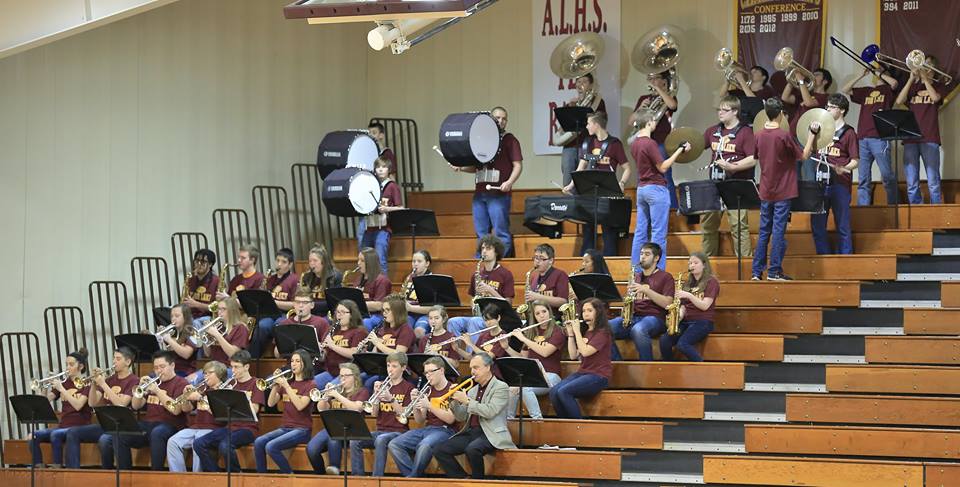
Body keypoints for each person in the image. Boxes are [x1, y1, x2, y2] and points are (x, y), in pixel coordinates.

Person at [752, 98, 817, 281]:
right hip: (783, 190)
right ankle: (774, 271)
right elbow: (803, 156)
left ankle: (756, 272)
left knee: (764, 230)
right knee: (778, 230)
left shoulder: (758, 135)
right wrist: (812, 135)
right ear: (781, 114)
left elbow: (756, 156)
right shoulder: (783, 135)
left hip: (765, 189)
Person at [451, 106, 523, 257]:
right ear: (490, 119)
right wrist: (461, 168)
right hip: (480, 193)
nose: (501, 121)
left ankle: (499, 265)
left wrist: (510, 182)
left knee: (501, 232)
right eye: (497, 118)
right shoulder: (481, 140)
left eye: (504, 119)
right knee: (481, 233)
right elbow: (477, 168)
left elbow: (518, 165)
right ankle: (481, 265)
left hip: (499, 193)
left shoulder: (509, 140)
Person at [433, 352, 515, 479]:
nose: (472, 372)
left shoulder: (501, 387)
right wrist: (453, 401)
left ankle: (478, 481)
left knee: (472, 449)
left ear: (488, 367)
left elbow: (490, 411)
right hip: (472, 432)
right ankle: (463, 479)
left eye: (476, 368)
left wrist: (466, 401)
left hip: (491, 432)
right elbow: (461, 417)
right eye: (471, 368)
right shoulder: (472, 390)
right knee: (439, 449)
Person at [629, 109, 691, 272]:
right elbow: (663, 167)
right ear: (649, 122)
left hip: (641, 189)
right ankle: (658, 272)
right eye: (654, 120)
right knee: (658, 234)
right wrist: (679, 150)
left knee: (640, 232)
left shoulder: (635, 142)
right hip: (656, 190)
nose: (656, 123)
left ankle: (636, 271)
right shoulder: (650, 143)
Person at [563, 112, 631, 256]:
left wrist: (622, 182)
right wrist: (570, 185)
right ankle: (586, 263)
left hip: (607, 194)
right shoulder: (588, 142)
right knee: (588, 230)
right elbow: (580, 168)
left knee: (608, 231)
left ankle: (610, 264)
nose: (586, 126)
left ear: (596, 124)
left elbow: (627, 169)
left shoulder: (615, 144)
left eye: (588, 123)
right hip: (590, 194)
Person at [106, 350, 188, 470]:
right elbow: (136, 406)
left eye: (162, 367)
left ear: (172, 365)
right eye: (155, 368)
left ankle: (156, 473)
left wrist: (157, 391)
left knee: (157, 433)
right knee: (120, 433)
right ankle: (125, 474)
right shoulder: (153, 382)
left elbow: (176, 410)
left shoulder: (181, 383)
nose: (158, 371)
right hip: (149, 424)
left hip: (171, 425)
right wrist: (140, 388)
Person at [701, 95, 757, 258]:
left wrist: (733, 167)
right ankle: (706, 265)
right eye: (719, 109)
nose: (720, 113)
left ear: (735, 112)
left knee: (739, 226)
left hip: (736, 185)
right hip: (714, 184)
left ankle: (745, 263)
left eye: (724, 110)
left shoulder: (746, 132)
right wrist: (688, 145)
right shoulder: (712, 131)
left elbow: (753, 158)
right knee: (708, 225)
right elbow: (698, 145)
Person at [805, 93, 859, 254]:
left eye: (831, 107)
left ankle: (845, 259)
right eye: (827, 106)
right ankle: (824, 258)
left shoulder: (849, 132)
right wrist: (812, 134)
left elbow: (855, 160)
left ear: (842, 110)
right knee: (817, 224)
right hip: (819, 183)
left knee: (842, 224)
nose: (827, 109)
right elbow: (808, 154)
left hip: (840, 183)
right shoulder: (820, 130)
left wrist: (845, 168)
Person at [193, 350, 264, 472]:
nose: (233, 370)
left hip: (248, 429)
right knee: (199, 443)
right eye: (232, 367)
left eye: (236, 367)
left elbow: (255, 409)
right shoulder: (230, 384)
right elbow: (219, 413)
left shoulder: (256, 383)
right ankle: (216, 475)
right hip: (230, 427)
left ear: (247, 367)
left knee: (225, 445)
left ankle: (236, 474)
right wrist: (204, 399)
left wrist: (241, 398)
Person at [387, 356, 457, 477]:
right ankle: (414, 477)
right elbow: (420, 420)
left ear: (441, 370)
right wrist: (415, 404)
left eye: (431, 371)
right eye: (426, 373)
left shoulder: (453, 389)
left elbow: (450, 419)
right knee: (394, 444)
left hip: (446, 430)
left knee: (424, 445)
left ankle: (413, 478)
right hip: (428, 428)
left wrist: (429, 405)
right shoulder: (427, 390)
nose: (428, 375)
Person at [349, 351, 414, 477]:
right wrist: (377, 396)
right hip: (381, 429)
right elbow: (374, 413)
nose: (390, 369)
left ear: (404, 368)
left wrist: (391, 399)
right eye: (389, 366)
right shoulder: (384, 385)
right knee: (355, 440)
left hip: (399, 431)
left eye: (394, 366)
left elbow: (404, 414)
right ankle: (357, 477)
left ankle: (376, 478)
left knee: (380, 440)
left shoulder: (408, 387)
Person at [609, 242, 675, 361]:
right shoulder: (636, 277)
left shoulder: (666, 277)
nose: (642, 257)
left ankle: (647, 365)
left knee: (639, 330)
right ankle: (618, 363)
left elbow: (668, 303)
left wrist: (646, 290)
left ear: (656, 258)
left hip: (655, 318)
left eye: (647, 254)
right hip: (634, 317)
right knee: (605, 327)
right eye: (641, 254)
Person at [254, 349, 316, 474]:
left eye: (298, 361)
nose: (293, 364)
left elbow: (300, 406)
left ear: (305, 363)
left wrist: (286, 386)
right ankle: (261, 477)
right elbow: (271, 403)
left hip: (302, 429)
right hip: (285, 427)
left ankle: (289, 476)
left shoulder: (310, 385)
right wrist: (276, 385)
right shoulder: (289, 383)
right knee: (259, 442)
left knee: (271, 447)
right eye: (292, 361)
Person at [843, 66, 899, 205]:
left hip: (880, 138)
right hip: (862, 138)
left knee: (887, 176)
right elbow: (845, 89)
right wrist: (861, 75)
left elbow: (895, 84)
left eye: (881, 71)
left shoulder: (887, 90)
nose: (877, 72)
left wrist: (880, 74)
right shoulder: (867, 91)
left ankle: (893, 205)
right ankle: (864, 209)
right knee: (863, 178)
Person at [549, 297, 611, 419]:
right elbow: (573, 355)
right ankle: (565, 424)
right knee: (553, 392)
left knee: (564, 392)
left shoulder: (603, 333)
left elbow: (585, 352)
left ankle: (578, 425)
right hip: (583, 372)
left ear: (598, 312)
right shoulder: (586, 332)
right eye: (583, 311)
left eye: (589, 310)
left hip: (599, 375)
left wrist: (577, 331)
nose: (585, 314)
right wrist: (571, 334)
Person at [29, 349, 91, 468]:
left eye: (71, 364)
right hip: (63, 426)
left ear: (81, 366)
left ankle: (57, 466)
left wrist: (62, 389)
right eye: (66, 364)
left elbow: (78, 406)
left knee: (55, 435)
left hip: (79, 427)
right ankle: (38, 467)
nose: (67, 367)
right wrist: (44, 387)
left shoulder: (86, 383)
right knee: (34, 436)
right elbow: (45, 402)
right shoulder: (64, 383)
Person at [895, 55, 945, 204]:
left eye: (927, 64)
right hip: (910, 138)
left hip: (930, 138)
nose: (923, 66)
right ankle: (917, 211)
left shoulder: (938, 86)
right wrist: (911, 79)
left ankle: (936, 211)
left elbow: (936, 99)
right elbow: (899, 101)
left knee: (933, 180)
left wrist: (925, 79)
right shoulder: (913, 88)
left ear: (933, 69)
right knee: (911, 181)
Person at [629, 70, 680, 208]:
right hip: (644, 142)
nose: (651, 81)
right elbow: (630, 122)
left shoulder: (669, 95)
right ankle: (647, 207)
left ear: (664, 81)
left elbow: (672, 106)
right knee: (643, 175)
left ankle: (672, 210)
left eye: (655, 78)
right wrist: (640, 108)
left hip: (662, 142)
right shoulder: (643, 98)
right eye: (649, 77)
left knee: (665, 175)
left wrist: (659, 89)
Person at [447, 235, 515, 338]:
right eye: (482, 248)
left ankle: (474, 354)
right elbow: (472, 299)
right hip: (480, 316)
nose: (484, 251)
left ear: (496, 252)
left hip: (497, 319)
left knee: (474, 322)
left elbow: (508, 305)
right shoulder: (476, 275)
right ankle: (457, 353)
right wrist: (474, 304)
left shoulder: (506, 274)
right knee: (453, 322)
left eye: (488, 249)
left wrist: (490, 290)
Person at [307, 362, 369, 475]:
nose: (342, 379)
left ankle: (335, 470)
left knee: (333, 438)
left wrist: (337, 396)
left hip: (351, 429)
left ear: (355, 377)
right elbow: (322, 409)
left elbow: (356, 408)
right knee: (311, 449)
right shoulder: (338, 391)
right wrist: (325, 397)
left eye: (346, 376)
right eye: (341, 376)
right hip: (333, 427)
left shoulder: (362, 391)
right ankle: (320, 475)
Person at [504, 301, 563, 419]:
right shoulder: (531, 332)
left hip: (551, 376)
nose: (542, 315)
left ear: (549, 312)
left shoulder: (558, 331)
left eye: (544, 312)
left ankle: (537, 421)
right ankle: (509, 422)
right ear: (534, 317)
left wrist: (524, 339)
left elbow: (545, 352)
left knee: (525, 388)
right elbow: (522, 359)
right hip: (532, 376)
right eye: (538, 313)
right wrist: (506, 347)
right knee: (511, 390)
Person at [165, 360, 227, 472]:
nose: (205, 376)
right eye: (204, 373)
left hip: (214, 428)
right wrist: (185, 396)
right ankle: (178, 477)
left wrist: (200, 398)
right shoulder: (202, 389)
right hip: (196, 427)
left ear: (219, 374)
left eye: (209, 373)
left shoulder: (225, 390)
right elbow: (186, 409)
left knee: (198, 441)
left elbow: (221, 415)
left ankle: (196, 477)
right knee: (173, 441)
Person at [660, 252, 720, 361]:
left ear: (704, 265)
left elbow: (705, 306)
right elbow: (683, 305)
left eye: (695, 263)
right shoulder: (687, 284)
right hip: (686, 321)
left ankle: (702, 367)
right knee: (664, 340)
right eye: (690, 263)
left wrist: (689, 295)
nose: (692, 265)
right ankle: (671, 368)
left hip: (703, 321)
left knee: (682, 344)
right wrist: (679, 316)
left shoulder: (712, 282)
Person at [91, 348, 139, 469]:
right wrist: (93, 384)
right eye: (114, 358)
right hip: (105, 423)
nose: (114, 362)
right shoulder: (109, 380)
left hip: (122, 425)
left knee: (104, 440)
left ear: (128, 362)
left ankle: (121, 473)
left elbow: (121, 404)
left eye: (118, 359)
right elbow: (92, 403)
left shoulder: (134, 380)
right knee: (74, 433)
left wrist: (103, 384)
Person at [556, 72, 606, 187]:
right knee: (568, 181)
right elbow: (563, 128)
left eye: (584, 81)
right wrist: (571, 109)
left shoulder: (598, 103)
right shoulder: (571, 104)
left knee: (586, 181)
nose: (580, 84)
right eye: (578, 81)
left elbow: (602, 124)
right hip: (570, 147)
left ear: (591, 84)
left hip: (589, 146)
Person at [782, 67, 832, 181]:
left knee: (809, 171)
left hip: (808, 138)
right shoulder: (806, 93)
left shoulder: (826, 97)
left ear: (825, 81)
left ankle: (812, 197)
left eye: (817, 75)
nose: (813, 76)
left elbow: (809, 103)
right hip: (793, 135)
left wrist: (801, 81)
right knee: (793, 172)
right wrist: (792, 81)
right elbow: (785, 97)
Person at [251, 248, 300, 357]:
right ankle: (254, 359)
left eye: (283, 262)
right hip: (270, 314)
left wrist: (274, 302)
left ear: (290, 264)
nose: (279, 264)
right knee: (262, 326)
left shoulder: (294, 279)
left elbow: (294, 304)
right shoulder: (269, 279)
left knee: (279, 324)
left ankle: (281, 359)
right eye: (277, 260)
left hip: (284, 314)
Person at [359, 157, 404, 272]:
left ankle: (382, 287)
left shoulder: (392, 186)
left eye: (383, 167)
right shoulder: (370, 185)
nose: (380, 170)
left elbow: (401, 208)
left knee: (380, 259)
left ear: (389, 169)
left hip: (383, 228)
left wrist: (386, 208)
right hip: (368, 228)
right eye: (378, 167)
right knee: (364, 260)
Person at [362, 295, 416, 392]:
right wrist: (367, 350)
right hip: (382, 369)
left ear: (397, 312)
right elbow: (376, 354)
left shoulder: (406, 330)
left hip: (399, 372)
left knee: (369, 383)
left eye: (388, 310)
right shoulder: (383, 329)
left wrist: (378, 344)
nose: (384, 313)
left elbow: (399, 354)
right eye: (383, 310)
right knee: (358, 377)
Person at [313, 299, 368, 391]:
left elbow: (354, 353)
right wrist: (319, 351)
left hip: (348, 374)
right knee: (310, 387)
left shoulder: (359, 331)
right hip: (330, 372)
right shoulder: (331, 330)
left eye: (343, 312)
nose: (339, 314)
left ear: (352, 314)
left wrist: (333, 345)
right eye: (337, 312)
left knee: (329, 389)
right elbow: (324, 357)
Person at [274, 287, 330, 358]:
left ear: (312, 305)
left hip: (314, 367)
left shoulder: (322, 323)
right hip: (292, 366)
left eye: (305, 302)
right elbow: (277, 355)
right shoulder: (285, 324)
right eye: (297, 302)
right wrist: (281, 347)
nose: (300, 306)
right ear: (294, 304)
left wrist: (318, 349)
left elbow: (325, 356)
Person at [520, 243, 570, 318]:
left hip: (554, 319)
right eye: (536, 258)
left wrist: (538, 297)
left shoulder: (560, 275)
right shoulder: (533, 277)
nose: (537, 261)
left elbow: (563, 301)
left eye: (541, 258)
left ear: (551, 260)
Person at [201, 296, 250, 363]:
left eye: (223, 309)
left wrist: (217, 335)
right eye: (218, 309)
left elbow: (233, 355)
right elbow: (207, 354)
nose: (219, 312)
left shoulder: (241, 328)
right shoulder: (218, 326)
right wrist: (204, 337)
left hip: (230, 367)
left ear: (232, 310)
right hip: (214, 365)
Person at [353, 247, 392, 331]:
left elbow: (379, 305)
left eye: (362, 261)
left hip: (378, 316)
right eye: (358, 260)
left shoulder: (382, 280)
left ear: (370, 262)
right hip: (361, 314)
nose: (358, 263)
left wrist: (356, 305)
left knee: (365, 323)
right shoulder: (358, 280)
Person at [300, 244, 342, 317]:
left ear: (324, 262)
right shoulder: (306, 277)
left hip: (327, 314)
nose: (312, 264)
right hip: (310, 313)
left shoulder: (335, 277)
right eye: (310, 261)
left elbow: (334, 303)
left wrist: (310, 305)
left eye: (315, 261)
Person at [181, 249, 220, 327]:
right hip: (191, 316)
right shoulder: (190, 280)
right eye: (197, 261)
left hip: (208, 318)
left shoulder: (216, 281)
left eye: (203, 262)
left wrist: (197, 304)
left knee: (194, 324)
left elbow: (218, 307)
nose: (199, 264)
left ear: (210, 264)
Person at [162, 303, 199, 381]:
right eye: (172, 316)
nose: (173, 319)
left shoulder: (192, 332)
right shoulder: (174, 333)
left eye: (177, 316)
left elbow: (186, 354)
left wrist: (169, 340)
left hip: (185, 371)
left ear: (185, 317)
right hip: (172, 369)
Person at [402, 250, 435, 338]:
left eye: (419, 261)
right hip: (409, 314)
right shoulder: (409, 277)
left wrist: (411, 308)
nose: (415, 264)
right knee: (403, 329)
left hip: (426, 315)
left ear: (427, 263)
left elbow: (432, 308)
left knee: (419, 331)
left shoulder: (432, 280)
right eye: (413, 261)